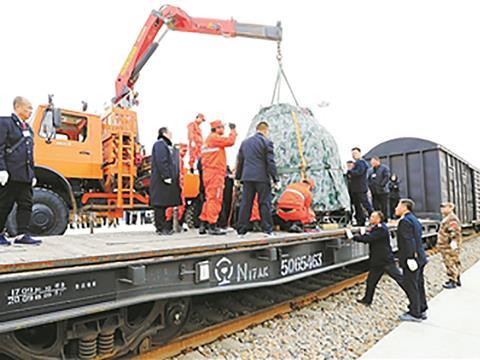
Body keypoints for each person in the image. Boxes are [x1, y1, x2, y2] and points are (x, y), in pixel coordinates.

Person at [0, 96, 41, 245]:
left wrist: (32, 173)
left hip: (25, 175)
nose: (30, 111)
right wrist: (1, 169)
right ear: (17, 107)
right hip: (10, 174)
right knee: (4, 204)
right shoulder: (5, 123)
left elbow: (29, 153)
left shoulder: (28, 128)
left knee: (26, 204)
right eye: (28, 108)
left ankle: (22, 234)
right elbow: (0, 148)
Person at [348, 211, 403, 305]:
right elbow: (370, 236)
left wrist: (353, 237)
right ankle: (367, 300)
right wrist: (363, 234)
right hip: (377, 261)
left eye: (373, 217)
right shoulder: (376, 228)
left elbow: (369, 239)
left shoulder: (381, 229)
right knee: (371, 281)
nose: (370, 218)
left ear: (378, 219)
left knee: (399, 278)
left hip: (385, 260)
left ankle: (413, 294)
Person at [236, 121, 279, 236]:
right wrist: (275, 179)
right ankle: (267, 229)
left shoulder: (245, 143)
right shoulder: (267, 142)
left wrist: (238, 178)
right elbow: (270, 162)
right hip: (262, 178)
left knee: (246, 203)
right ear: (265, 130)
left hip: (247, 177)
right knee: (264, 203)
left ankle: (241, 230)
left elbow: (240, 161)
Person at [199, 120, 237, 235]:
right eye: (222, 128)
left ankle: (203, 223)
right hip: (215, 174)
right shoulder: (214, 138)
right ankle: (212, 225)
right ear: (217, 128)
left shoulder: (208, 140)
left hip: (208, 173)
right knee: (215, 198)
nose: (224, 130)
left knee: (209, 198)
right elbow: (230, 141)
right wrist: (233, 130)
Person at [395, 198, 428, 322]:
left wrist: (409, 258)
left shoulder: (405, 221)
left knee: (411, 285)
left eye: (398, 206)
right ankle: (422, 308)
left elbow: (408, 241)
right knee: (419, 284)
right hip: (420, 257)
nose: (396, 208)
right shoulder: (414, 220)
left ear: (404, 207)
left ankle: (415, 313)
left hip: (412, 259)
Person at [150, 127, 181, 235]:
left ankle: (163, 227)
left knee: (162, 204)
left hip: (162, 180)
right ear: (164, 133)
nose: (171, 134)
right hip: (161, 180)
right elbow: (162, 161)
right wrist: (166, 176)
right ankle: (161, 228)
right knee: (159, 205)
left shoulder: (164, 145)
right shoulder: (160, 144)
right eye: (170, 132)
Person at [438, 202, 462, 289]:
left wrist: (453, 242)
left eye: (444, 207)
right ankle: (456, 278)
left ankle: (453, 281)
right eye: (442, 207)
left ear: (451, 208)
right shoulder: (448, 218)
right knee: (454, 261)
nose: (442, 209)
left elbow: (454, 231)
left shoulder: (451, 219)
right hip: (447, 245)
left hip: (448, 246)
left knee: (450, 262)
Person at [347, 147, 373, 226]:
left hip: (360, 188)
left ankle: (373, 217)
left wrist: (349, 171)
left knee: (365, 204)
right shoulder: (357, 163)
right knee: (357, 205)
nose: (354, 155)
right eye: (353, 154)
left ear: (359, 153)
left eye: (355, 153)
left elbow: (359, 172)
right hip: (355, 188)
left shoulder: (361, 163)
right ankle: (360, 220)